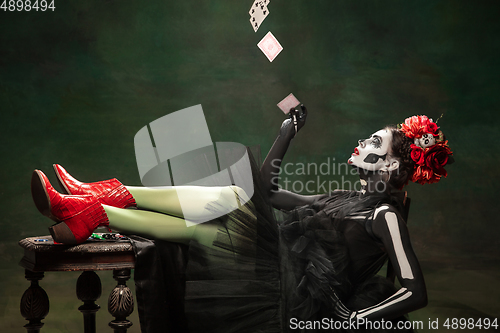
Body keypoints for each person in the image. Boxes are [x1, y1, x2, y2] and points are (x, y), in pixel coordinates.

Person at [30, 107, 453, 332]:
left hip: (293, 292)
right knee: (219, 218)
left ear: (393, 165)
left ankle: (97, 200)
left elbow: (415, 292)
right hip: (275, 264)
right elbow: (268, 193)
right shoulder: (343, 197)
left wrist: (359, 319)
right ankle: (96, 209)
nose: (363, 142)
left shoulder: (385, 215)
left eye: (375, 141)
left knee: (228, 205)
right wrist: (286, 132)